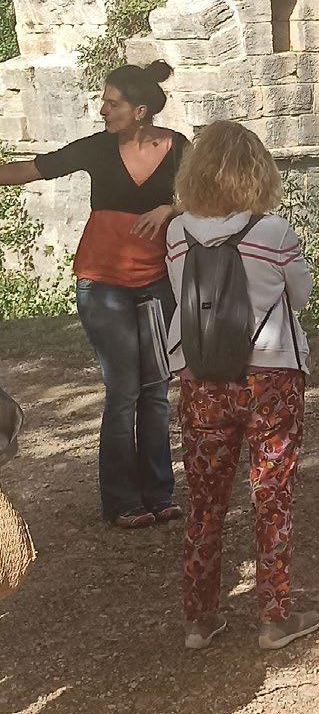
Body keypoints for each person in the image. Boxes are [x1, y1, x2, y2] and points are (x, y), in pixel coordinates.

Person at [0, 61, 186, 528]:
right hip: (102, 284)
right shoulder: (98, 148)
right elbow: (32, 169)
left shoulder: (178, 147)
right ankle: (122, 501)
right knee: (123, 390)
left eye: (111, 103)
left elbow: (209, 194)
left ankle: (159, 493)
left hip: (156, 282)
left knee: (156, 390)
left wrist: (170, 208)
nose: (103, 110)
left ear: (139, 111)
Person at [166, 121, 319, 651]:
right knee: (271, 495)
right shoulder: (274, 232)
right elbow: (299, 297)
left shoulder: (176, 232)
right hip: (269, 377)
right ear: (257, 172)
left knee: (204, 500)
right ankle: (274, 618)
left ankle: (199, 619)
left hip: (201, 378)